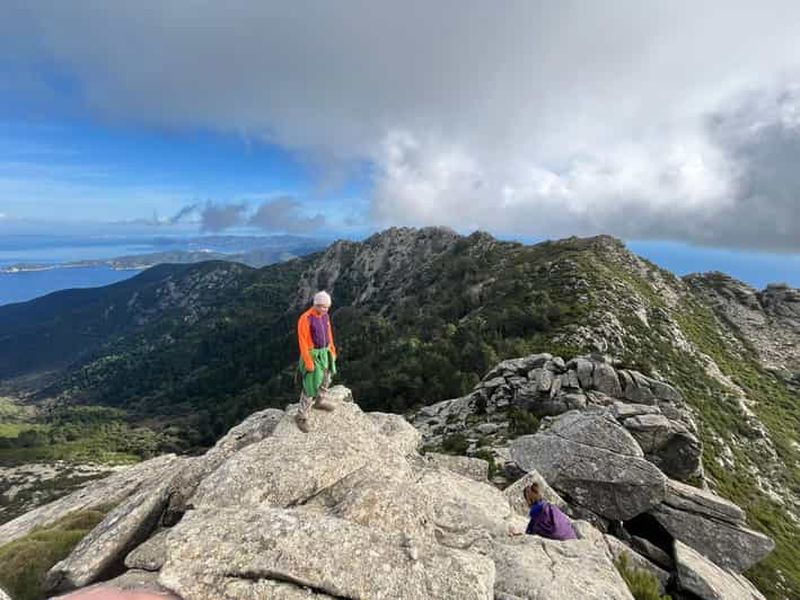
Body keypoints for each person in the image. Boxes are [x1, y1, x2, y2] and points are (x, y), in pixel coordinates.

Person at [295, 290, 338, 432]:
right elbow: (303, 342)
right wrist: (308, 361)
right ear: (316, 304)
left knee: (326, 379)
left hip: (325, 353)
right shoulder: (305, 318)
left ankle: (319, 401)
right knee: (310, 385)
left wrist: (332, 349)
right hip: (313, 355)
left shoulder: (325, 316)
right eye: (322, 306)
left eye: (327, 307)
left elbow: (329, 334)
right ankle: (301, 416)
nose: (325, 309)